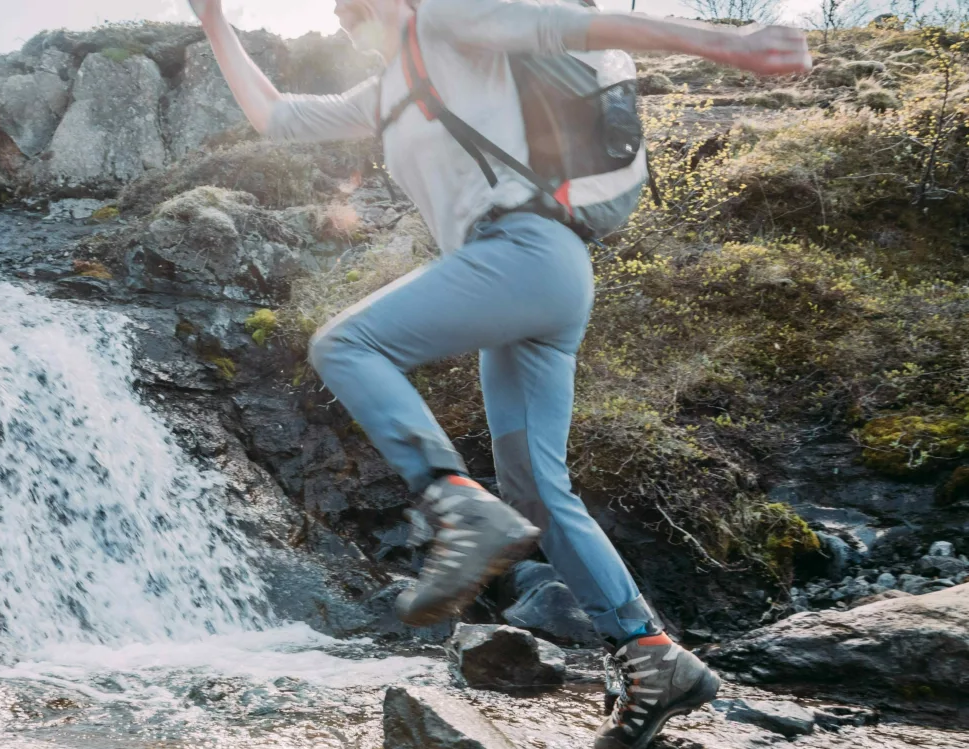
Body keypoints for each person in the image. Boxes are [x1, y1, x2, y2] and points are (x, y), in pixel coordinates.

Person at [185, 1, 811, 747]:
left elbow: (578, 27)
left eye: (358, 6)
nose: (352, 20)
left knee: (346, 345)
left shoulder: (454, 21)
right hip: (533, 280)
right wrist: (213, 19)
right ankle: (649, 654)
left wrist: (729, 45)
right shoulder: (387, 90)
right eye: (343, 13)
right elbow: (276, 116)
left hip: (523, 251)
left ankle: (453, 501)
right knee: (536, 489)